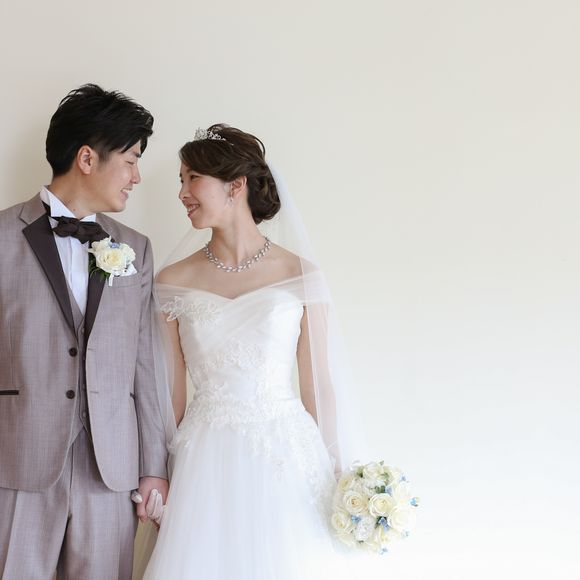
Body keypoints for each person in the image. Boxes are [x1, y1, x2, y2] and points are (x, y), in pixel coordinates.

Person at [142, 125, 362, 579]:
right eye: (181, 181)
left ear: (235, 185)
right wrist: (159, 471)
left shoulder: (301, 275)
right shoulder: (171, 281)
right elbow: (168, 394)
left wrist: (339, 467)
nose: (182, 193)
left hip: (287, 451)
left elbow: (318, 383)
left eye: (192, 179)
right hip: (204, 457)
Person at [0, 84, 170, 579]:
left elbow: (145, 363)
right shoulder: (2, 237)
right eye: (131, 160)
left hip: (110, 469)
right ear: (88, 158)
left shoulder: (136, 247)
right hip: (17, 460)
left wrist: (153, 467)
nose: (137, 177)